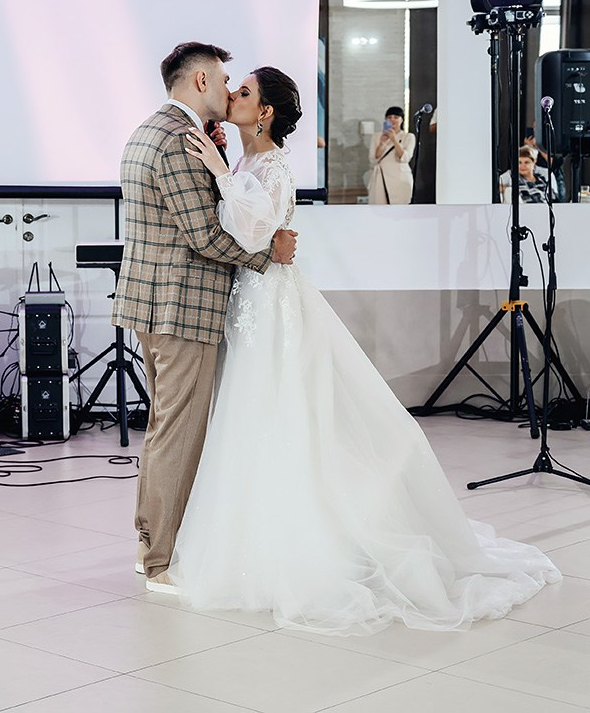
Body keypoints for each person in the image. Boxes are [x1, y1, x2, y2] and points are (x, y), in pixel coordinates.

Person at [173, 67, 560, 635]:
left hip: (273, 303)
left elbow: (255, 230)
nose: (232, 96)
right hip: (248, 300)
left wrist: (218, 173)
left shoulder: (273, 164)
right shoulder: (245, 161)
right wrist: (226, 170)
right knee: (249, 413)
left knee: (283, 411)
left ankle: (307, 544)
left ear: (266, 113)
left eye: (245, 92)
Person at [112, 42, 298, 593]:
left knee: (165, 429)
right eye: (222, 81)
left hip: (155, 305)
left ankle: (151, 543)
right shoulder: (178, 139)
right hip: (182, 308)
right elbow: (204, 235)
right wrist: (268, 255)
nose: (227, 90)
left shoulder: (153, 130)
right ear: (199, 82)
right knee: (177, 434)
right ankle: (159, 559)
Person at [368, 106, 415, 204]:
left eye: (396, 117)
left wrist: (394, 139)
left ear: (402, 120)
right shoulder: (376, 136)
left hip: (400, 178)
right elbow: (373, 159)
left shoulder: (408, 137)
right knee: (379, 207)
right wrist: (382, 143)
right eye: (389, 117)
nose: (392, 119)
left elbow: (405, 158)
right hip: (381, 177)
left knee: (399, 208)